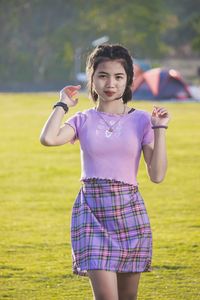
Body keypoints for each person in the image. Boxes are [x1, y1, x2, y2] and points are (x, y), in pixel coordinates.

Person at [40, 44, 170, 300]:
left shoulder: (143, 120)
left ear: (128, 80)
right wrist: (62, 104)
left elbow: (156, 175)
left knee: (128, 297)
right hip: (92, 214)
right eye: (103, 75)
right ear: (92, 79)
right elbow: (48, 138)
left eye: (119, 76)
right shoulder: (83, 119)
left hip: (129, 213)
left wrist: (160, 130)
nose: (111, 83)